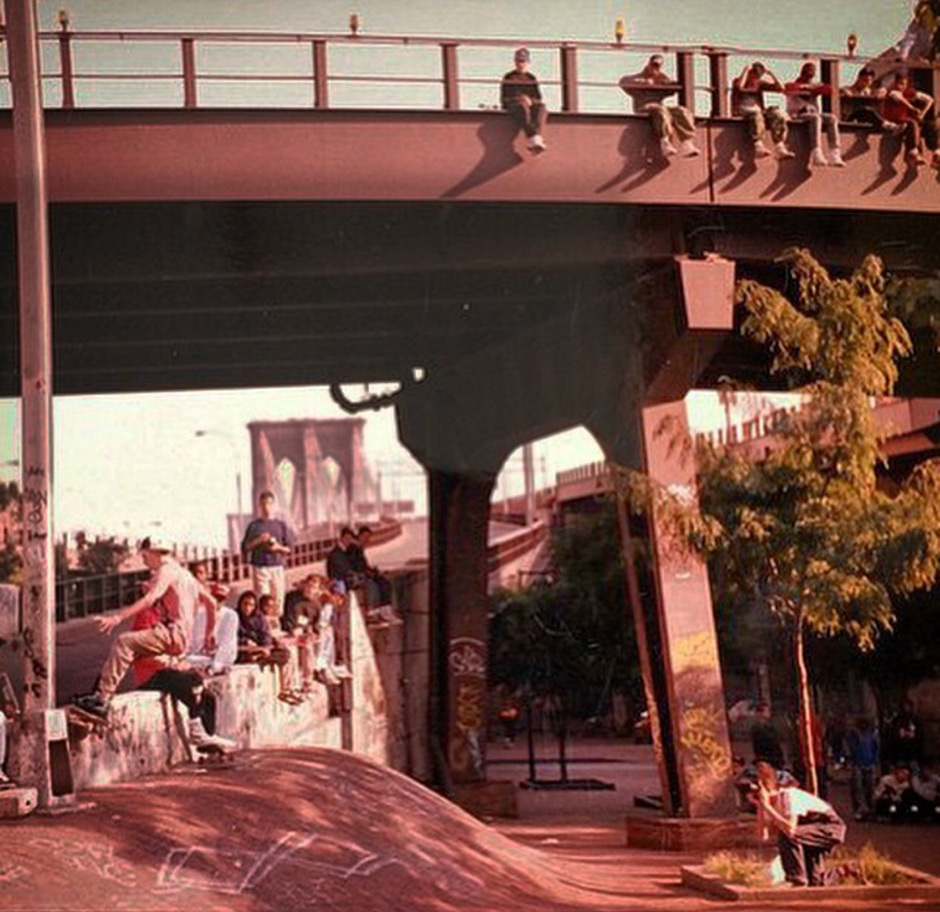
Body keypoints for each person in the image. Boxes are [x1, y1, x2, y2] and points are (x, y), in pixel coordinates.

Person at [74, 537, 216, 719]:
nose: (143, 560)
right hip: (182, 637)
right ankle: (98, 693)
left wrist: (117, 617)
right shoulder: (185, 575)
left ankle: (102, 700)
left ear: (154, 552)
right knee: (130, 657)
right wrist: (209, 634)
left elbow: (149, 599)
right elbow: (211, 603)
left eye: (145, 555)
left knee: (124, 642)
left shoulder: (165, 571)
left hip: (171, 632)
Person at [129, 605, 234, 752]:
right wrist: (172, 663)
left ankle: (208, 737)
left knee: (208, 697)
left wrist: (182, 661)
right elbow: (144, 652)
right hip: (151, 673)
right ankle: (196, 731)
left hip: (168, 670)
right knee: (193, 681)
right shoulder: (146, 617)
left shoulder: (169, 616)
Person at [751, 759, 846, 887]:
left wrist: (767, 806)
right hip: (808, 833)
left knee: (786, 835)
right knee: (816, 882)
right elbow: (762, 837)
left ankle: (796, 879)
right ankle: (845, 871)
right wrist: (761, 808)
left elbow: (790, 830)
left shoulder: (789, 796)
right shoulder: (770, 806)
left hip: (829, 827)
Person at [618, 54, 700, 159]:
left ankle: (687, 142)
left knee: (681, 110)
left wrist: (665, 83)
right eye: (653, 65)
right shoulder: (637, 78)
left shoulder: (661, 78)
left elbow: (673, 87)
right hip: (643, 107)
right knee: (660, 109)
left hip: (660, 108)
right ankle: (665, 142)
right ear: (648, 64)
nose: (655, 68)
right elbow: (623, 82)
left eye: (657, 66)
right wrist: (643, 83)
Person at [235, 590, 302, 704]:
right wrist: (245, 641)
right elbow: (231, 636)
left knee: (285, 654)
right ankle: (257, 659)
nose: (247, 608)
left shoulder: (259, 618)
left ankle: (286, 688)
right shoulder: (234, 617)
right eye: (245, 604)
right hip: (241, 650)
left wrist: (264, 647)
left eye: (251, 605)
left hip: (258, 650)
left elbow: (265, 636)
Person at [241, 491, 294, 619]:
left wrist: (277, 547)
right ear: (259, 505)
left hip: (277, 566)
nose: (266, 507)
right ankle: (263, 627)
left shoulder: (280, 525)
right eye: (263, 503)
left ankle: (276, 628)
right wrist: (258, 541)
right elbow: (245, 547)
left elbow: (289, 549)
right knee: (262, 600)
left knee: (278, 600)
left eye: (269, 503)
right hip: (260, 567)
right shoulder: (254, 526)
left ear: (274, 505)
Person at [783, 61, 844, 167]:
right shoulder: (793, 84)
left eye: (812, 73)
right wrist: (805, 87)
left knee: (831, 118)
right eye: (807, 73)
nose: (809, 77)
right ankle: (816, 151)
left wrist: (813, 88)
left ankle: (834, 152)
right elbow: (788, 88)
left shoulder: (814, 86)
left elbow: (829, 90)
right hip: (798, 115)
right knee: (816, 118)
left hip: (813, 113)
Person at [732, 61, 794, 160]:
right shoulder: (739, 80)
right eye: (755, 74)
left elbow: (780, 88)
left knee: (776, 114)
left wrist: (771, 74)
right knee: (756, 114)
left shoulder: (759, 83)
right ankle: (758, 145)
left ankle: (779, 146)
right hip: (743, 109)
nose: (756, 78)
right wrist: (745, 71)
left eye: (759, 75)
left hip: (758, 110)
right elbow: (740, 87)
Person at [187, 560, 238, 675]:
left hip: (219, 662)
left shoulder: (230, 615)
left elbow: (227, 644)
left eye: (221, 599)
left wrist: (215, 666)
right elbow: (193, 642)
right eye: (215, 598)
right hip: (200, 659)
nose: (217, 602)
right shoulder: (199, 613)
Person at [883, 73, 940, 168]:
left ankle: (936, 152)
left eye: (903, 84)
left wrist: (922, 114)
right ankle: (914, 152)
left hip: (909, 122)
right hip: (896, 122)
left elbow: (929, 99)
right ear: (895, 83)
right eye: (899, 83)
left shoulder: (909, 92)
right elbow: (900, 98)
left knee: (931, 124)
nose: (900, 86)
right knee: (912, 123)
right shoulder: (892, 92)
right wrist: (912, 108)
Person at [500, 47, 547, 153]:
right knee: (522, 106)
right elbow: (504, 99)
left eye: (523, 61)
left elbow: (538, 98)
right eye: (518, 61)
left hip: (529, 104)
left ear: (528, 62)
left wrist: (530, 101)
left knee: (542, 108)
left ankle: (536, 137)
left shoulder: (531, 78)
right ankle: (533, 137)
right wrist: (520, 99)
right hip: (514, 105)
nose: (520, 63)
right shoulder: (509, 77)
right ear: (514, 62)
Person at [353, 526, 400, 624]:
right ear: (359, 536)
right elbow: (357, 566)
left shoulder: (359, 548)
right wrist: (370, 572)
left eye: (368, 537)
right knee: (379, 583)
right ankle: (379, 612)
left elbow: (363, 565)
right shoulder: (354, 548)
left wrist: (373, 570)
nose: (367, 540)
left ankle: (385, 610)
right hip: (361, 576)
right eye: (365, 537)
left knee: (384, 581)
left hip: (365, 574)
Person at [845, 716, 879, 820]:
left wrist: (874, 760)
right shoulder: (854, 735)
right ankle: (859, 808)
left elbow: (875, 748)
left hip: (868, 762)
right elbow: (850, 747)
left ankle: (871, 808)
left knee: (870, 787)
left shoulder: (871, 735)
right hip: (857, 763)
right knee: (857, 787)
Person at [841, 66, 892, 131]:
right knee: (865, 110)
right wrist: (845, 92)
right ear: (858, 78)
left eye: (868, 81)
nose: (865, 83)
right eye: (863, 80)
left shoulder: (872, 92)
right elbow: (843, 90)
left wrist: (884, 91)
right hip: (852, 118)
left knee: (869, 111)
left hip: (868, 119)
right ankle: (886, 124)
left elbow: (883, 91)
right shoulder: (850, 90)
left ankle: (886, 124)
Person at [750, 701, 786, 770]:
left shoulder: (770, 727)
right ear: (760, 713)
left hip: (774, 758)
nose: (769, 713)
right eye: (767, 711)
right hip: (767, 759)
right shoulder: (758, 728)